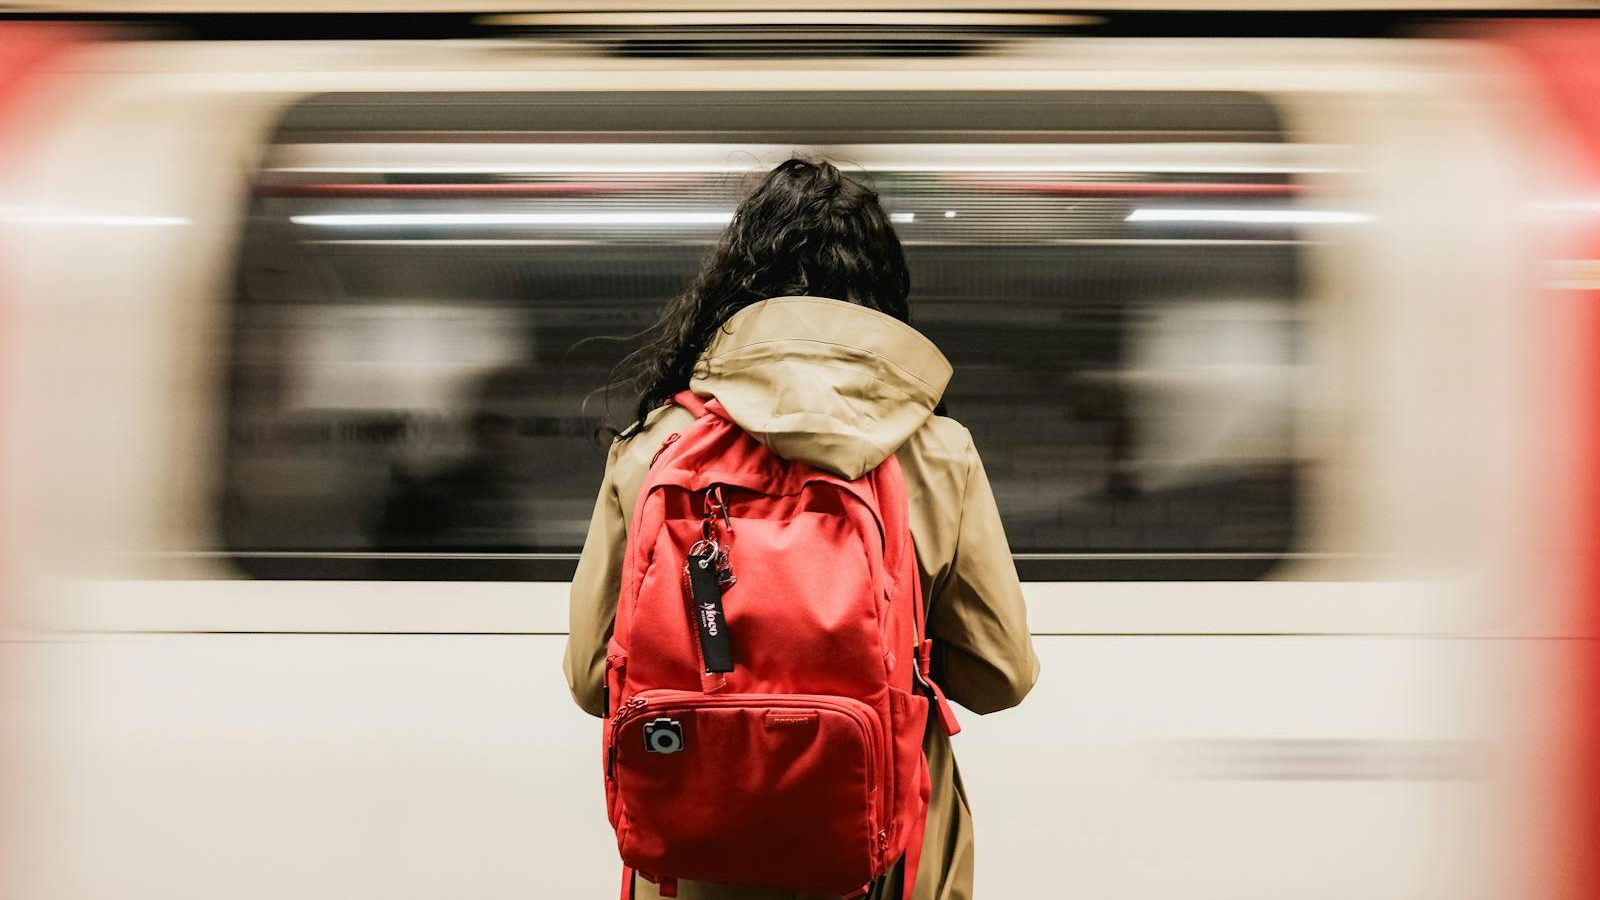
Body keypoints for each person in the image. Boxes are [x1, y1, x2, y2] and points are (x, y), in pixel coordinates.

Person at [564, 158, 1040, 900]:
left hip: (699, 866)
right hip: (887, 863)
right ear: (879, 293)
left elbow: (596, 681)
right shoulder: (937, 452)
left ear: (734, 287)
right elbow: (1001, 675)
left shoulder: (654, 447)